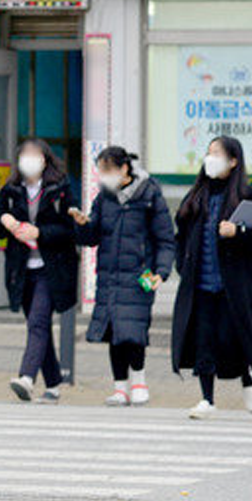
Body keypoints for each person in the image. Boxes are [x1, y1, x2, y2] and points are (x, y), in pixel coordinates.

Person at [170, 136, 252, 419]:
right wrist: (183, 265)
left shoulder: (249, 197)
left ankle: (248, 375)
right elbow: (180, 236)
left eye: (216, 153)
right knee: (204, 340)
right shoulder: (195, 196)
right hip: (201, 285)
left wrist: (238, 232)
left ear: (233, 161)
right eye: (208, 153)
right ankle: (207, 399)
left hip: (234, 287)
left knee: (234, 337)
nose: (209, 158)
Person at [69, 147, 176, 406]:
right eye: (100, 171)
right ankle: (120, 388)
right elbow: (92, 238)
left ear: (124, 169)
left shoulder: (149, 195)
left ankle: (139, 382)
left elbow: (165, 239)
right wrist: (83, 225)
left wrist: (161, 272)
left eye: (107, 170)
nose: (103, 176)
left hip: (140, 275)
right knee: (113, 331)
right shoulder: (104, 197)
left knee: (134, 331)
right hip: (109, 275)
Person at [0, 138, 79, 403]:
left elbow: (70, 230)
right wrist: (4, 220)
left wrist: (40, 232)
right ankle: (54, 385)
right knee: (39, 326)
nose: (28, 159)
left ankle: (26, 377)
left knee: (38, 321)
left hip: (52, 269)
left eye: (34, 154)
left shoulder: (60, 190)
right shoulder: (12, 189)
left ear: (45, 160)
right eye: (24, 154)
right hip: (22, 269)